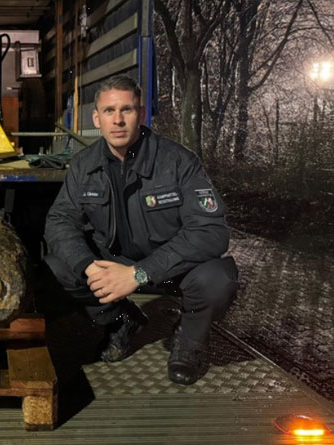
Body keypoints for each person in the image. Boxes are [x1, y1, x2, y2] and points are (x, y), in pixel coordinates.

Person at [44, 75, 238, 385]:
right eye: (109, 111)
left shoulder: (178, 162)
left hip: (170, 268)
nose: (117, 120)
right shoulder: (83, 165)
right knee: (57, 268)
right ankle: (121, 319)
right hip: (114, 264)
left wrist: (139, 273)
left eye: (127, 110)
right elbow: (59, 220)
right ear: (97, 118)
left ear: (142, 114)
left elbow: (211, 231)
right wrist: (88, 266)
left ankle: (189, 342)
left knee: (219, 278)